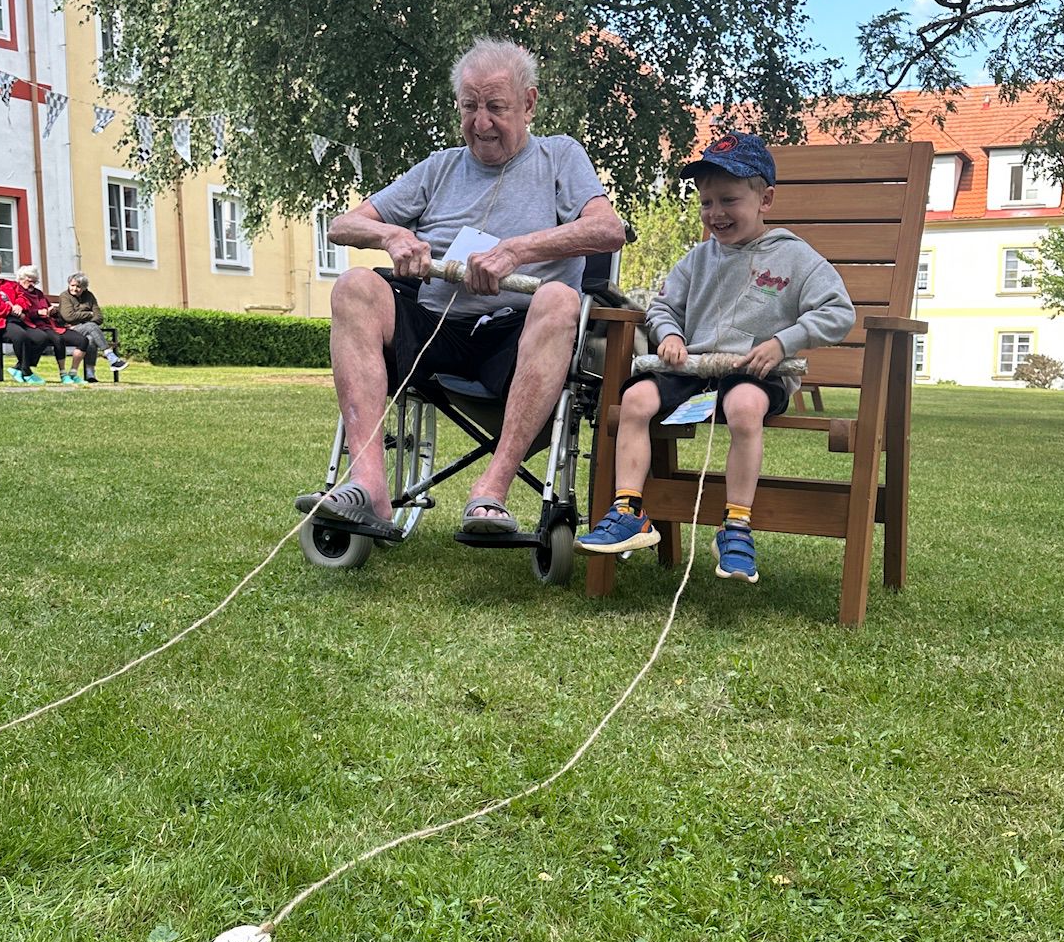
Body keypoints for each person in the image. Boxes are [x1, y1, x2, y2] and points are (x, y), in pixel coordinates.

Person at [296, 37, 624, 539]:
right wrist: (393, 235)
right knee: (354, 285)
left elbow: (607, 230)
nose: (481, 122)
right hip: (435, 325)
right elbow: (344, 225)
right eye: (469, 107)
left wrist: (516, 251)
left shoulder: (560, 157)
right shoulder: (440, 166)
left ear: (529, 104)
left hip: (517, 335)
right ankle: (368, 486)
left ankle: (491, 489)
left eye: (496, 107)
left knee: (560, 298)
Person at [577, 131, 855, 584]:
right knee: (635, 400)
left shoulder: (796, 257)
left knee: (743, 407)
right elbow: (663, 309)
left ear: (765, 200)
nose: (716, 213)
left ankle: (736, 525)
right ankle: (629, 511)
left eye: (729, 200)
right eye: (706, 202)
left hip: (755, 372)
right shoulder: (698, 259)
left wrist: (783, 342)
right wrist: (669, 335)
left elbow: (838, 312)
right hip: (694, 369)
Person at [0, 251, 53, 383]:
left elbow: (22, 296)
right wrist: (11, 310)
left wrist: (19, 306)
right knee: (20, 335)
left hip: (14, 321)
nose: (0, 271)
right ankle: (26, 372)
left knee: (42, 337)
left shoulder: (7, 284)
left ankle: (19, 368)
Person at [11, 264, 96, 385]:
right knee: (58, 339)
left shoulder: (38, 293)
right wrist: (38, 313)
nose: (32, 284)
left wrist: (53, 312)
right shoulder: (18, 292)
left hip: (52, 325)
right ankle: (63, 374)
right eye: (29, 281)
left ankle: (73, 373)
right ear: (21, 279)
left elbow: (48, 308)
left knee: (83, 340)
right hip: (36, 326)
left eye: (35, 281)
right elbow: (23, 313)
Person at [56, 273, 128, 381]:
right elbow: (69, 316)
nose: (74, 289)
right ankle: (111, 357)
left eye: (78, 286)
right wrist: (89, 314)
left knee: (90, 338)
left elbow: (99, 317)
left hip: (82, 327)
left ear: (84, 288)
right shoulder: (64, 296)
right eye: (72, 285)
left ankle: (90, 374)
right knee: (91, 326)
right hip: (69, 329)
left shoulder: (89, 296)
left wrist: (82, 320)